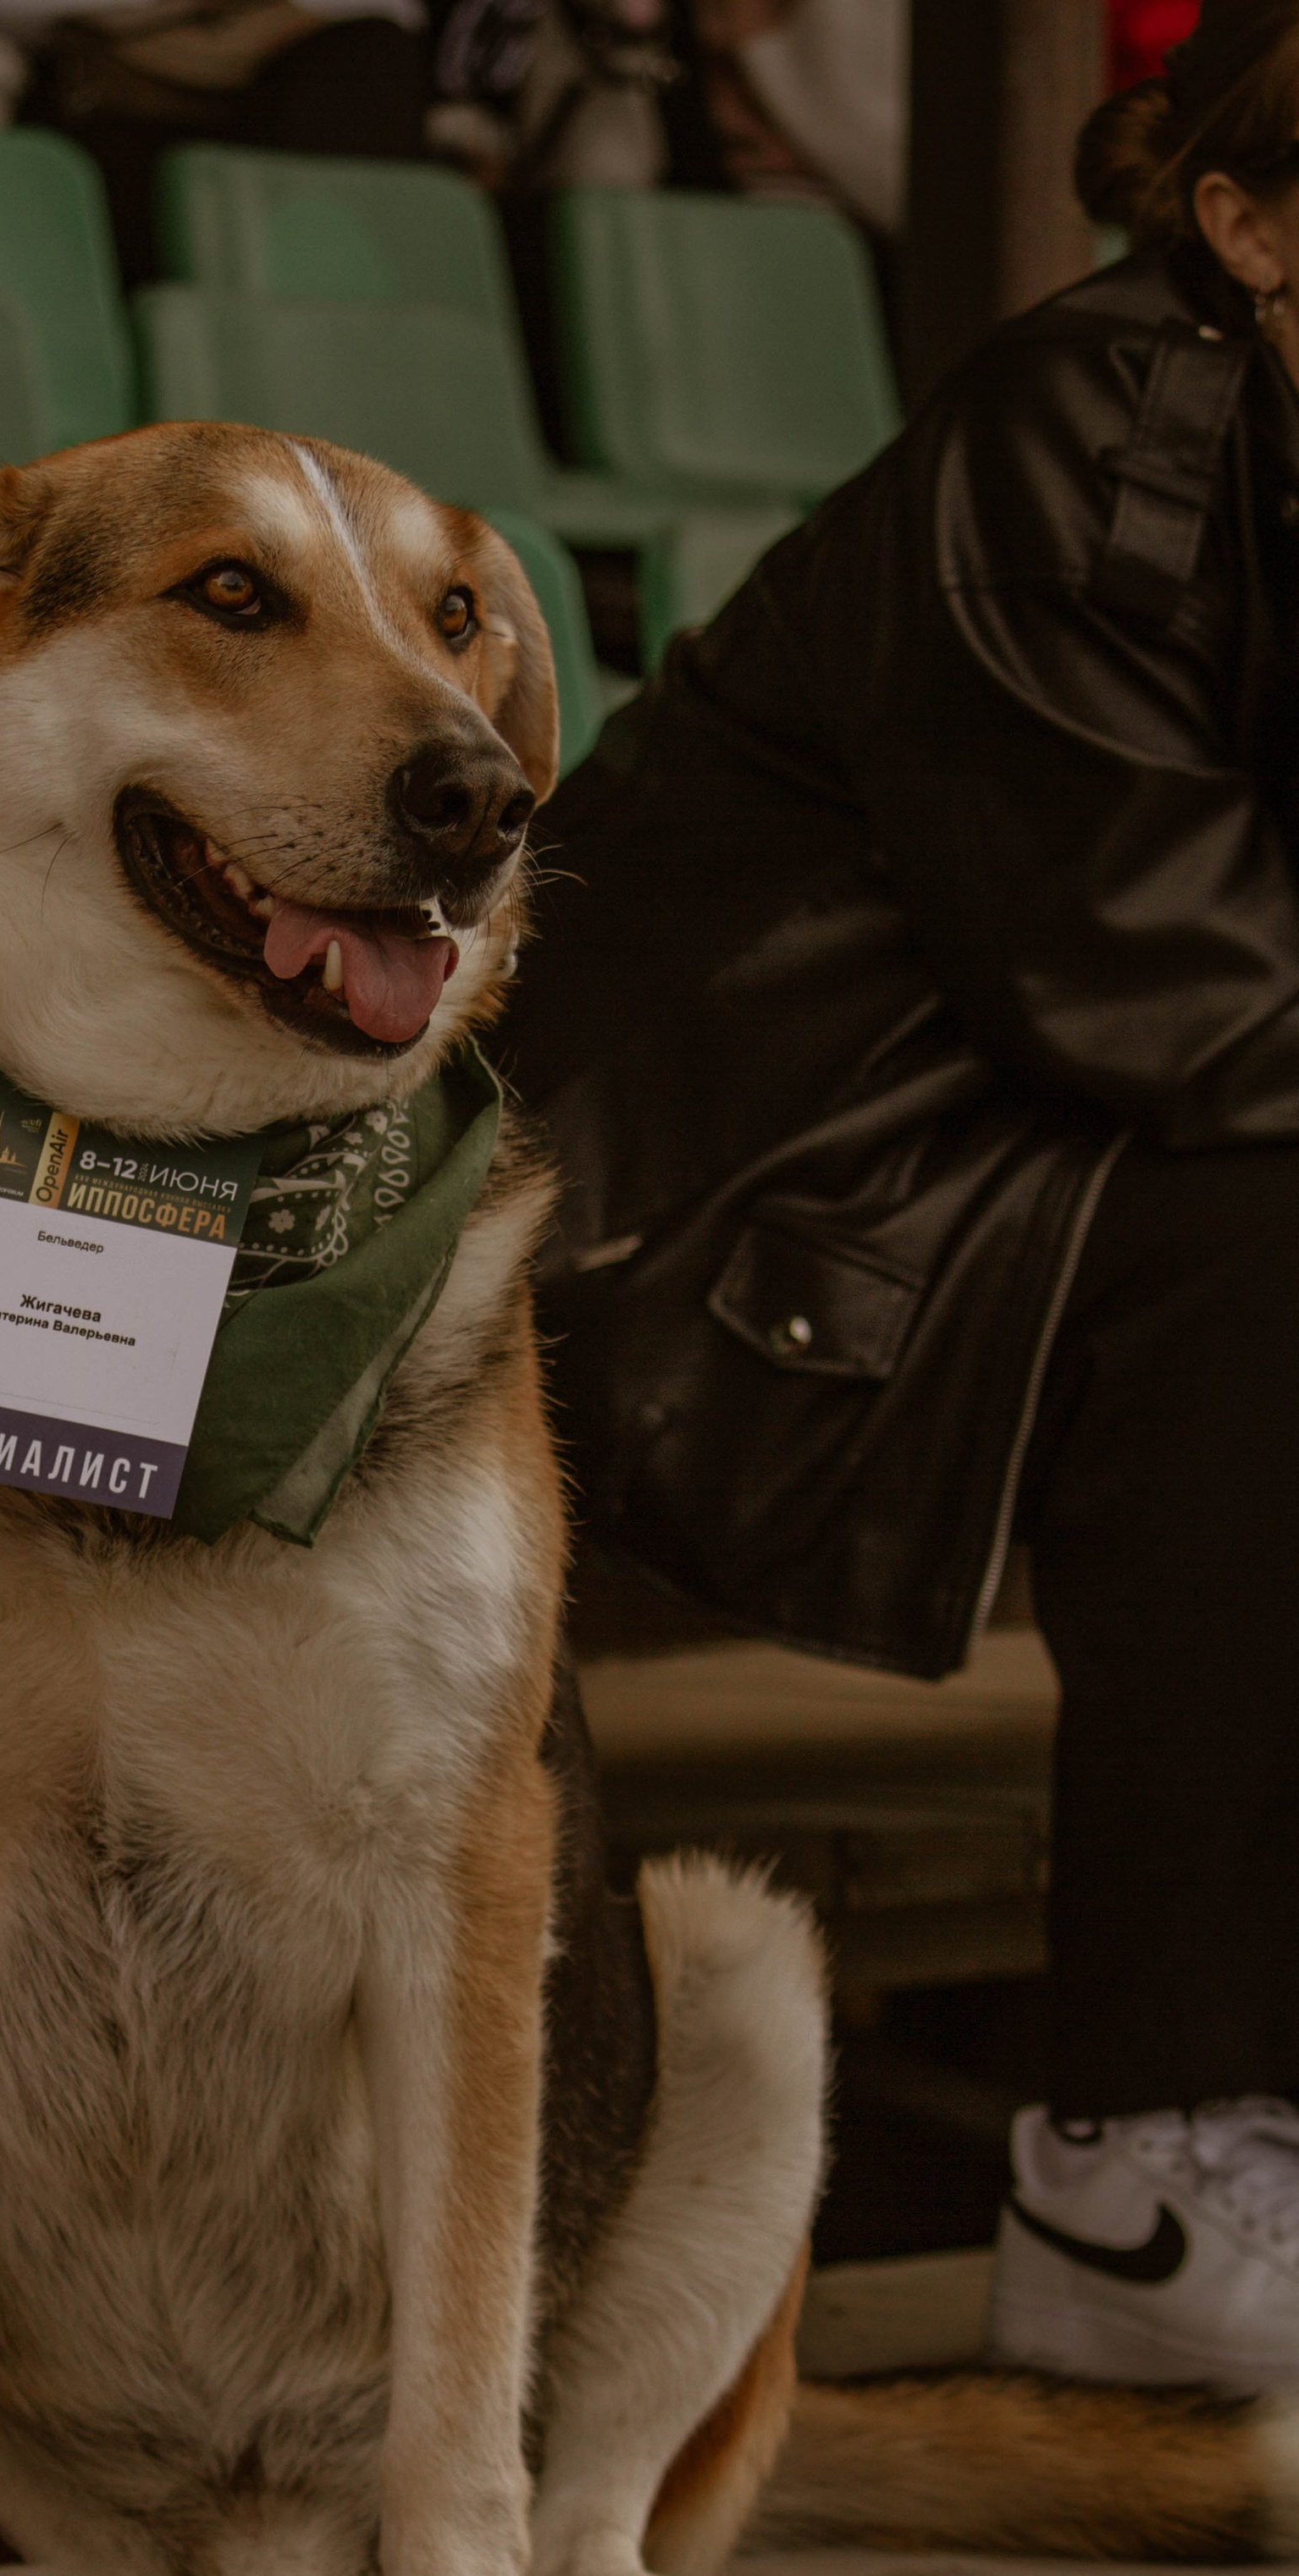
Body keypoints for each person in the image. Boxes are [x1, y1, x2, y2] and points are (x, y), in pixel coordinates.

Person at [498, 0, 1299, 2394]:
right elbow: (1173, 990)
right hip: (717, 1225)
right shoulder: (1097, 439)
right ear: (1245, 228)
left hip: (1011, 1184)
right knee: (1283, 1256)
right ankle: (1140, 2163)